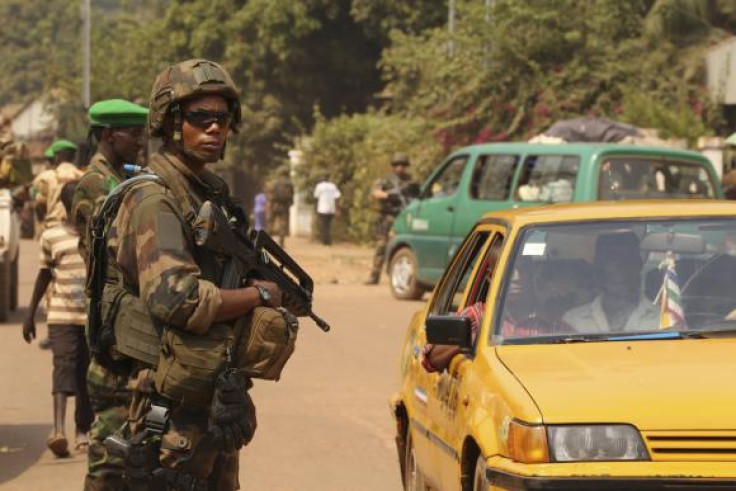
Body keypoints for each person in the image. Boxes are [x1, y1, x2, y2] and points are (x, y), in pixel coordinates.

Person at [97, 59, 283, 489]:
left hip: (209, 393)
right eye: (201, 119)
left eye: (223, 119)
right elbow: (176, 298)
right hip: (164, 401)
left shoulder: (210, 194)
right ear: (171, 123)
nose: (215, 129)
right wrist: (260, 296)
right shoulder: (155, 199)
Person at [70, 98, 148, 491]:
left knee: (131, 452)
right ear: (106, 135)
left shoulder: (123, 178)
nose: (140, 140)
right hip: (114, 330)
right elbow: (119, 252)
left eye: (141, 132)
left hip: (127, 325)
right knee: (109, 459)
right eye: (132, 133)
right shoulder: (95, 184)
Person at [23, 181, 94, 458]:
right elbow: (43, 276)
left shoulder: (95, 235)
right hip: (61, 316)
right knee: (63, 366)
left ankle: (82, 431)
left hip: (90, 319)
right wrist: (29, 314)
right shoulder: (52, 237)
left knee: (87, 375)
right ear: (69, 206)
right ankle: (58, 431)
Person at [563, 232, 659, 332]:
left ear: (638, 264)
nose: (621, 268)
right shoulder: (572, 321)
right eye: (613, 259)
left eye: (628, 259)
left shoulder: (665, 321)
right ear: (598, 266)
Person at [365, 152, 418, 284]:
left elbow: (419, 196)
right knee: (381, 246)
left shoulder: (410, 181)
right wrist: (389, 195)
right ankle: (374, 276)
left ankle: (402, 279)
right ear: (393, 166)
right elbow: (375, 193)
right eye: (397, 165)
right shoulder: (386, 179)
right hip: (388, 217)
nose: (400, 168)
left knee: (404, 247)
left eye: (402, 165)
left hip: (404, 217)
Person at [268, 166, 294, 247]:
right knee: (282, 223)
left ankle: (268, 240)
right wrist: (290, 204)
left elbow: (271, 194)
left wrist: (271, 204)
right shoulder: (289, 184)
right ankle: (281, 241)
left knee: (271, 223)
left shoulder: (275, 183)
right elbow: (292, 195)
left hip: (275, 205)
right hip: (284, 206)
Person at [313, 175, 341, 245]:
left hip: (322, 208)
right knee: (328, 225)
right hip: (331, 208)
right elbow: (337, 197)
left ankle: (325, 241)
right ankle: (328, 240)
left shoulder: (319, 186)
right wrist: (337, 209)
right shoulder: (333, 186)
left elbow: (316, 197)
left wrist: (315, 208)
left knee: (323, 225)